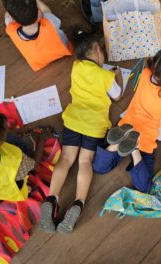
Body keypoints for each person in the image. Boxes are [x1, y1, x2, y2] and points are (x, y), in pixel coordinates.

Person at [39, 28, 123, 234]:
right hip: (94, 126)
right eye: (101, 52)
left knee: (66, 159)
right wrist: (117, 76)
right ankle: (78, 202)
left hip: (73, 120)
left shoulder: (76, 66)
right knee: (85, 162)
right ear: (96, 51)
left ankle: (52, 197)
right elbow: (117, 96)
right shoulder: (105, 75)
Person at [92, 47, 161, 193]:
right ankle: (134, 149)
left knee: (99, 168)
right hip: (146, 136)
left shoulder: (145, 73)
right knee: (145, 186)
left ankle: (115, 145)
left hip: (126, 124)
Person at [1, 0, 71, 71]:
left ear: (13, 19)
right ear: (38, 10)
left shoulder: (11, 28)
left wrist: (13, 8)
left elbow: (7, 17)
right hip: (61, 51)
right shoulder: (50, 23)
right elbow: (47, 10)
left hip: (38, 63)